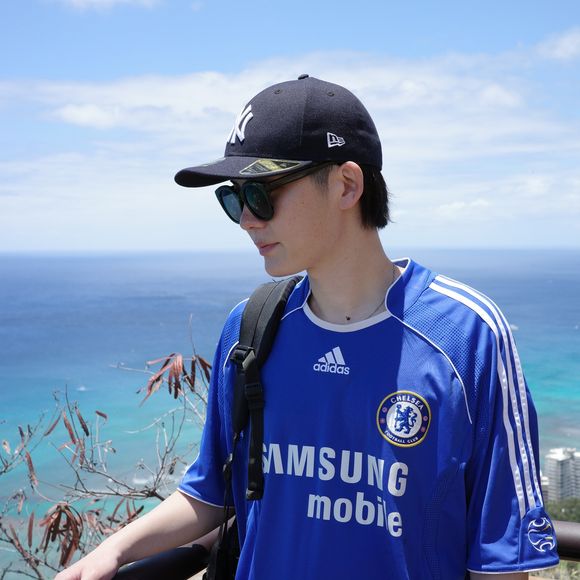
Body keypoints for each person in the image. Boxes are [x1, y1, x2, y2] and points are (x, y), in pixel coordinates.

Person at [56, 75, 559, 579]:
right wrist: (112, 552)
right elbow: (210, 491)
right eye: (234, 198)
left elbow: (501, 553)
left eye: (261, 193)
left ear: (347, 185)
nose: (246, 219)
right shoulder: (252, 328)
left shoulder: (467, 335)